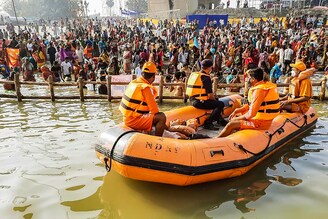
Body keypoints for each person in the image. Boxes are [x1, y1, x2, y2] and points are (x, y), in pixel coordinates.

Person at [217, 68, 280, 137]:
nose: (247, 79)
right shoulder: (264, 85)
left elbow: (251, 114)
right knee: (237, 116)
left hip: (261, 122)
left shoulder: (259, 90)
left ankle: (216, 141)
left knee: (231, 124)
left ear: (253, 79)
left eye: (248, 78)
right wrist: (238, 110)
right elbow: (253, 105)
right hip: (263, 119)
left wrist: (236, 119)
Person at [119, 62, 166, 136]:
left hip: (127, 118)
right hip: (133, 121)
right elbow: (155, 111)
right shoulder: (145, 88)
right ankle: (158, 140)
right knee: (161, 117)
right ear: (153, 76)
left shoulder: (134, 82)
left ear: (142, 73)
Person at [186, 59, 226, 130]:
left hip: (192, 99)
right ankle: (208, 123)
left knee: (216, 101)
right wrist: (215, 100)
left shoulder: (195, 74)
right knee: (220, 104)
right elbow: (210, 96)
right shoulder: (206, 78)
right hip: (199, 102)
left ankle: (220, 120)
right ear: (209, 68)